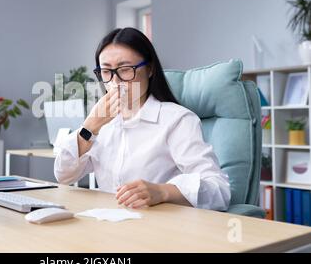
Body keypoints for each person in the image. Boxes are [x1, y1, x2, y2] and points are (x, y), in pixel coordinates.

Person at [54, 27, 230, 211]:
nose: (115, 82)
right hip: (108, 225)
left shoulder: (177, 120)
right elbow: (63, 175)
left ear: (150, 69)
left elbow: (219, 190)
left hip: (158, 229)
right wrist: (90, 126)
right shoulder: (100, 124)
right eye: (106, 71)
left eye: (125, 69)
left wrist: (163, 192)